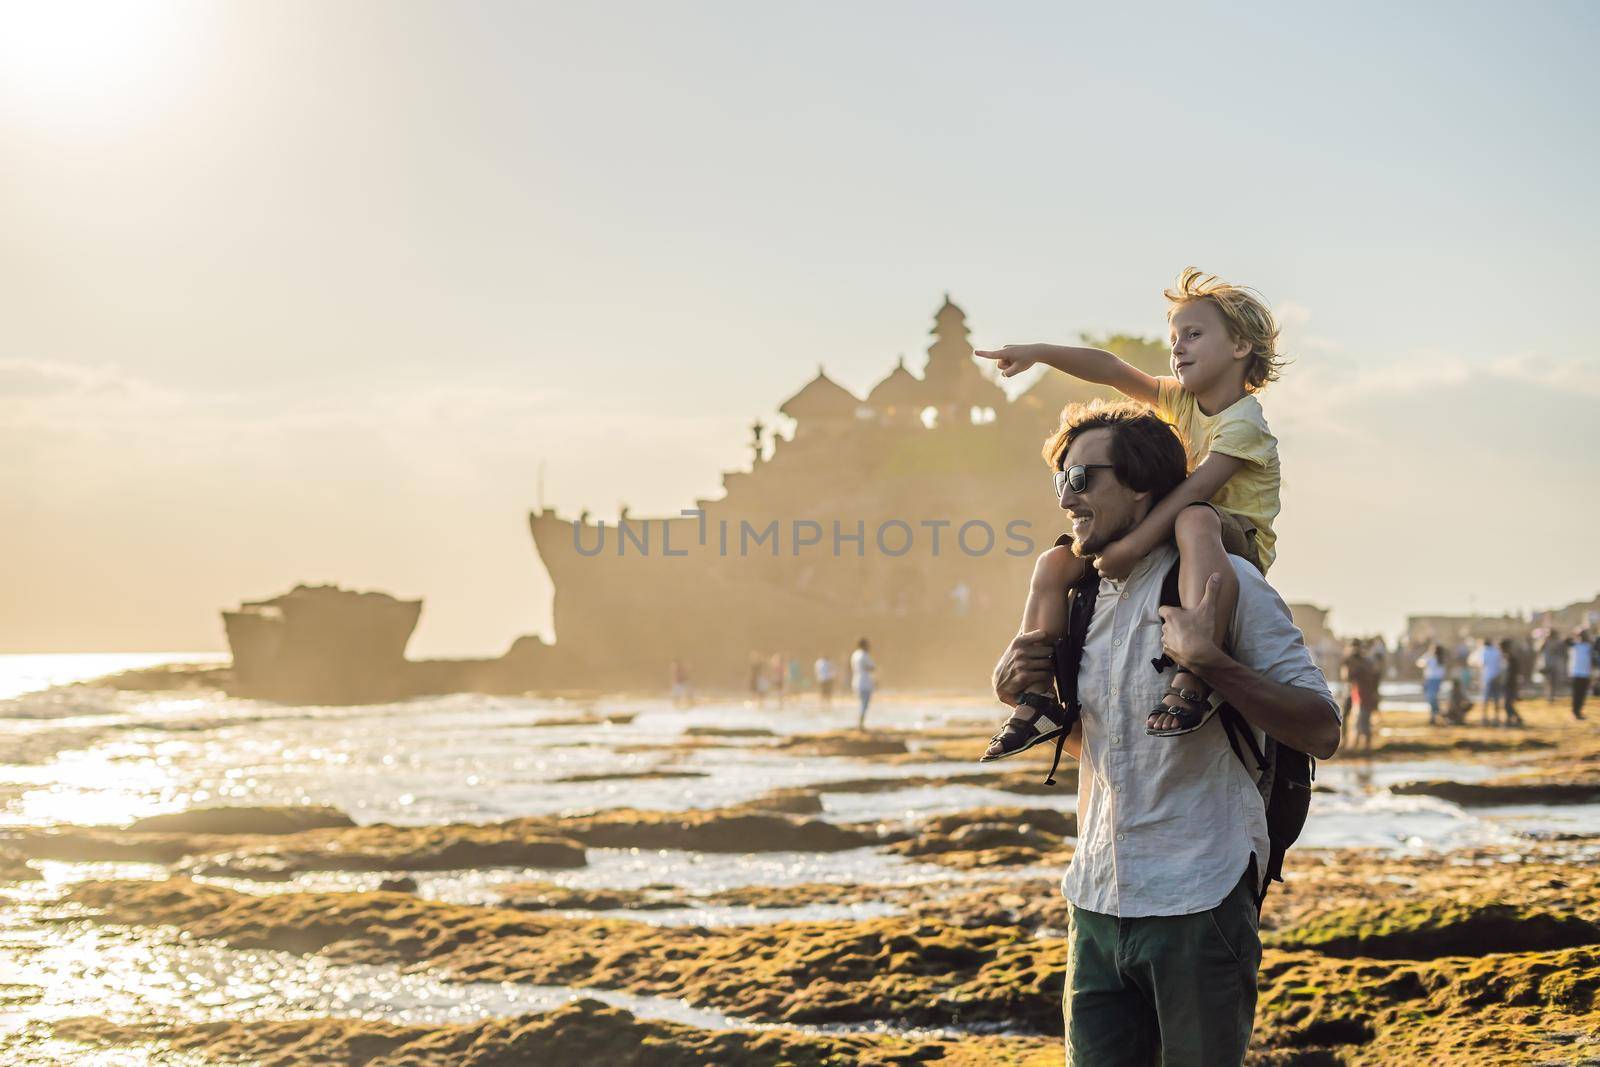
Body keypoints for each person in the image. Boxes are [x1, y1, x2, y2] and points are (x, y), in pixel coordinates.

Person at [989, 401, 1339, 1065]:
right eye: (1061, 478)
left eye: (1085, 478)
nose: (1068, 496)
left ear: (1143, 486)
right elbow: (1107, 742)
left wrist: (1214, 665)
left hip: (1200, 900)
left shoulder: (1223, 584)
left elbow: (1323, 727)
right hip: (1093, 902)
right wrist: (1013, 691)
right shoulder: (1078, 597)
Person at [978, 267, 1286, 763]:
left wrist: (1129, 547)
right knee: (1054, 563)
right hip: (1179, 525)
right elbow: (1112, 369)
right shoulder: (1180, 399)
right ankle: (1037, 696)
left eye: (1194, 334)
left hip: (1230, 537)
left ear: (1240, 347)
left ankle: (1195, 672)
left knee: (1194, 517)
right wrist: (1039, 353)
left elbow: (1196, 490)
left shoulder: (1245, 421)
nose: (1178, 347)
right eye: (1174, 338)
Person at [1471, 637, 1504, 726]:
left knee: (1485, 699)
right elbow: (1500, 664)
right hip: (1497, 677)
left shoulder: (1484, 651)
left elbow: (1482, 663)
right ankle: (1496, 717)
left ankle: (1484, 717)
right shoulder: (1497, 651)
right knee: (1496, 699)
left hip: (1487, 677)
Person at [1418, 643, 1447, 726]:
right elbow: (1420, 663)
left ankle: (1434, 715)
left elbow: (1421, 663)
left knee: (1432, 698)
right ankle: (1435, 714)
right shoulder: (1430, 657)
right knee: (1431, 698)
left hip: (1435, 680)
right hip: (1430, 679)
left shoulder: (1438, 658)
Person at [850, 638, 876, 730]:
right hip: (864, 683)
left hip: (856, 682)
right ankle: (860, 725)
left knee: (861, 704)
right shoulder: (864, 655)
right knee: (864, 704)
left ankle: (860, 724)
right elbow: (872, 667)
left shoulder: (855, 654)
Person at [1499, 638, 1524, 727]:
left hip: (1510, 684)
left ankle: (1513, 720)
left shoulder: (1511, 658)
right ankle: (1513, 719)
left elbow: (1513, 674)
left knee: (1507, 704)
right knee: (1507, 704)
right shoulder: (1508, 658)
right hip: (1509, 684)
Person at [1569, 629, 1592, 721]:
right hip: (1576, 673)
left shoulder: (1589, 646)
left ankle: (1579, 711)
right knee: (1576, 695)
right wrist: (1575, 635)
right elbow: (1566, 641)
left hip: (1586, 674)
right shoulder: (1575, 645)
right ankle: (1575, 712)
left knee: (1582, 695)